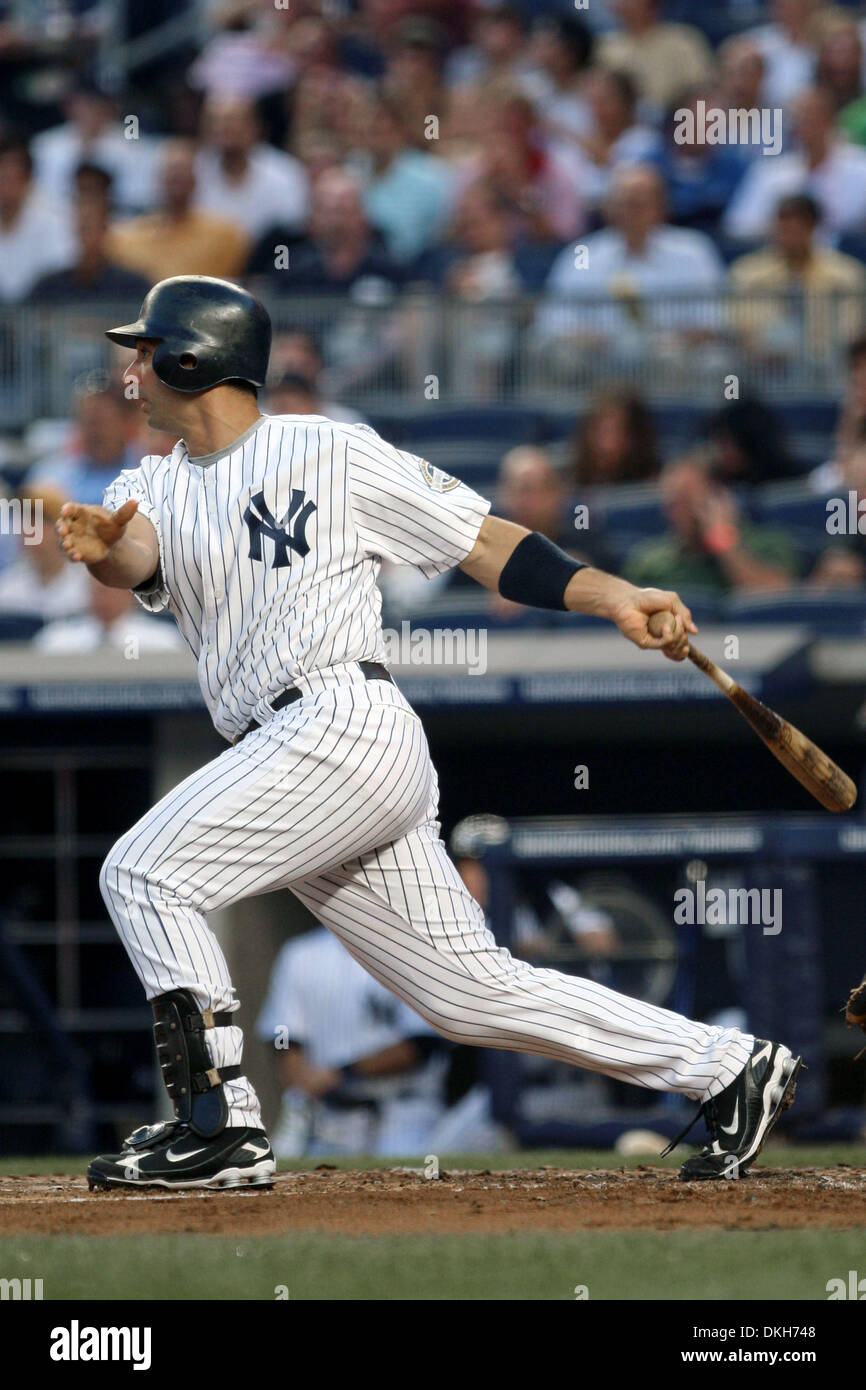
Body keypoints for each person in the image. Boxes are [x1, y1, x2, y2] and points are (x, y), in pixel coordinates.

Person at [57, 274, 801, 1190]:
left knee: (143, 870)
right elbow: (142, 549)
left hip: (338, 722)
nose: (131, 366)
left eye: (145, 348)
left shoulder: (326, 449)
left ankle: (218, 1122)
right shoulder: (155, 481)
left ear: (190, 357)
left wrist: (613, 595)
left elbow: (481, 542)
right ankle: (731, 1068)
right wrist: (106, 547)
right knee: (467, 992)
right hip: (286, 749)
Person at [256, 925, 447, 1157]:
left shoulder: (413, 950)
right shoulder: (300, 953)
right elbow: (282, 1032)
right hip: (329, 1116)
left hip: (403, 1114)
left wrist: (342, 1073)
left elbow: (421, 1045)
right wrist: (297, 1074)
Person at [535, 164, 724, 351]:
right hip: (596, 363)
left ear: (662, 207)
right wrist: (592, 340)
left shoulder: (693, 251)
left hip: (677, 361)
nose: (630, 213)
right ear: (608, 208)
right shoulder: (581, 254)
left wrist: (671, 342)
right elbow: (553, 322)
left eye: (639, 204)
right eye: (622, 203)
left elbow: (714, 320)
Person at [624, 454, 798, 596]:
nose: (676, 512)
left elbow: (777, 600)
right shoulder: (649, 562)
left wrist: (724, 542)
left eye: (687, 500)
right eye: (672, 504)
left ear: (718, 499)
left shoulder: (768, 543)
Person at [728, 192, 866, 360]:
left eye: (799, 228)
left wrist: (818, 352)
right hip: (762, 367)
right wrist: (760, 350)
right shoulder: (747, 271)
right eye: (785, 228)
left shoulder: (845, 272)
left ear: (813, 227)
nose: (791, 236)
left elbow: (852, 328)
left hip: (829, 366)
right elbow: (738, 324)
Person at [723, 86, 866, 243]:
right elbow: (738, 227)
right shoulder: (770, 172)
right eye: (799, 120)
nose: (805, 127)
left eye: (813, 119)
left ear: (830, 120)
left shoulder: (861, 167)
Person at [108, 140, 249, 283]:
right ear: (157, 178)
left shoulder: (223, 234)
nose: (177, 175)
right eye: (171, 170)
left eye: (183, 170)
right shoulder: (127, 239)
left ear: (195, 179)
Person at [29, 376, 142, 505]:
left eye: (101, 421)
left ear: (125, 423)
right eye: (86, 421)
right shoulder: (50, 478)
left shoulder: (148, 474)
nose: (93, 431)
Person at [597, 0, 714, 118]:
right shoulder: (606, 47)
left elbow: (703, 90)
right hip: (625, 123)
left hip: (676, 121)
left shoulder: (685, 40)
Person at [0, 137, 74, 302]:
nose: (3, 186)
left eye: (8, 178)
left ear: (27, 179)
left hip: (44, 314)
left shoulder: (54, 219)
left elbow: (62, 277)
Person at [0, 487, 88, 622]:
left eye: (40, 521)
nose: (29, 529)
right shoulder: (8, 587)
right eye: (27, 521)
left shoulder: (88, 587)